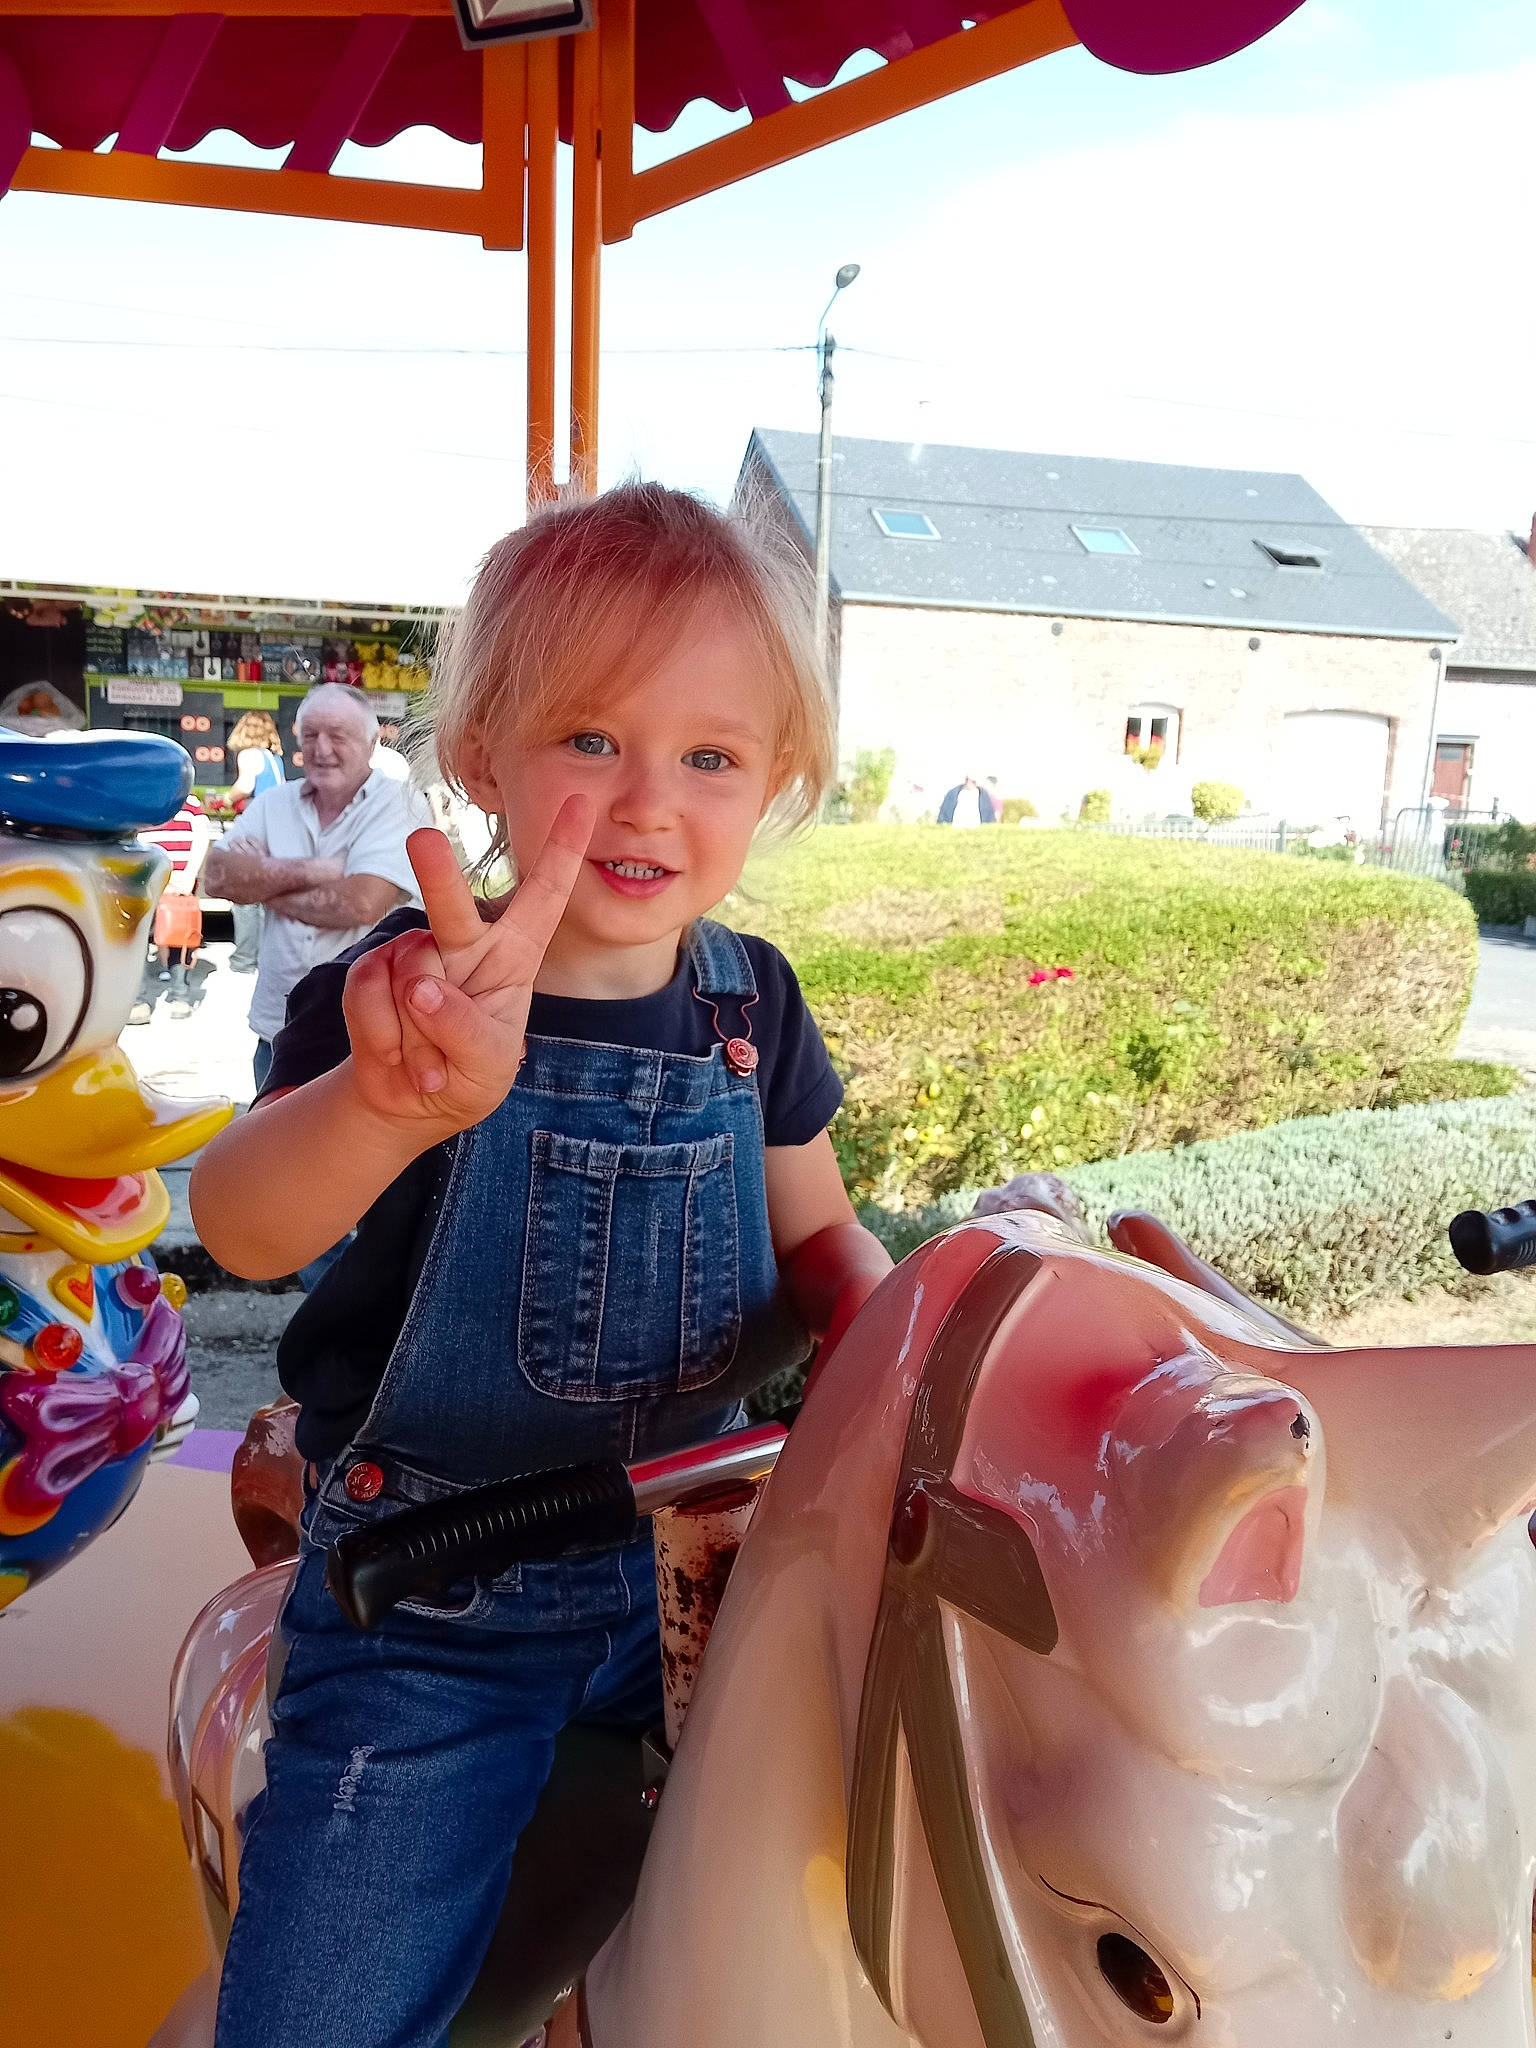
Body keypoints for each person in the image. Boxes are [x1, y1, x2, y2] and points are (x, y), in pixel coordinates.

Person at [189, 482, 896, 2048]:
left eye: (709, 756)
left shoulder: (751, 1005)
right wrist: (383, 1108)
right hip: (438, 1609)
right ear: (480, 752)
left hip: (714, 1578)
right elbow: (244, 1224)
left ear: (774, 775)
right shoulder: (408, 1002)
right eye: (592, 739)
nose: (648, 802)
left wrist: (887, 1312)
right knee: (326, 2014)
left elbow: (820, 1232)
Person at [201, 684, 426, 1095]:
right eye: (310, 735)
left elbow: (361, 903)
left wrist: (261, 883)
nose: (321, 749)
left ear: (371, 742)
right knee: (272, 1154)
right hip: (276, 1029)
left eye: (338, 735)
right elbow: (215, 877)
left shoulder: (399, 802)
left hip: (361, 1037)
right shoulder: (276, 803)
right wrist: (321, 869)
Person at [133, 787, 213, 1021]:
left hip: (180, 881)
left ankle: (180, 993)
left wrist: (188, 875)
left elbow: (201, 837)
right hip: (146, 880)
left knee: (179, 936)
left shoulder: (189, 802)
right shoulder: (139, 799)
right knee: (138, 939)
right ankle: (139, 999)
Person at [225, 711, 286, 972]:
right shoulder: (275, 760)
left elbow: (245, 785)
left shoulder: (249, 755)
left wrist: (226, 799)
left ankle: (244, 959)